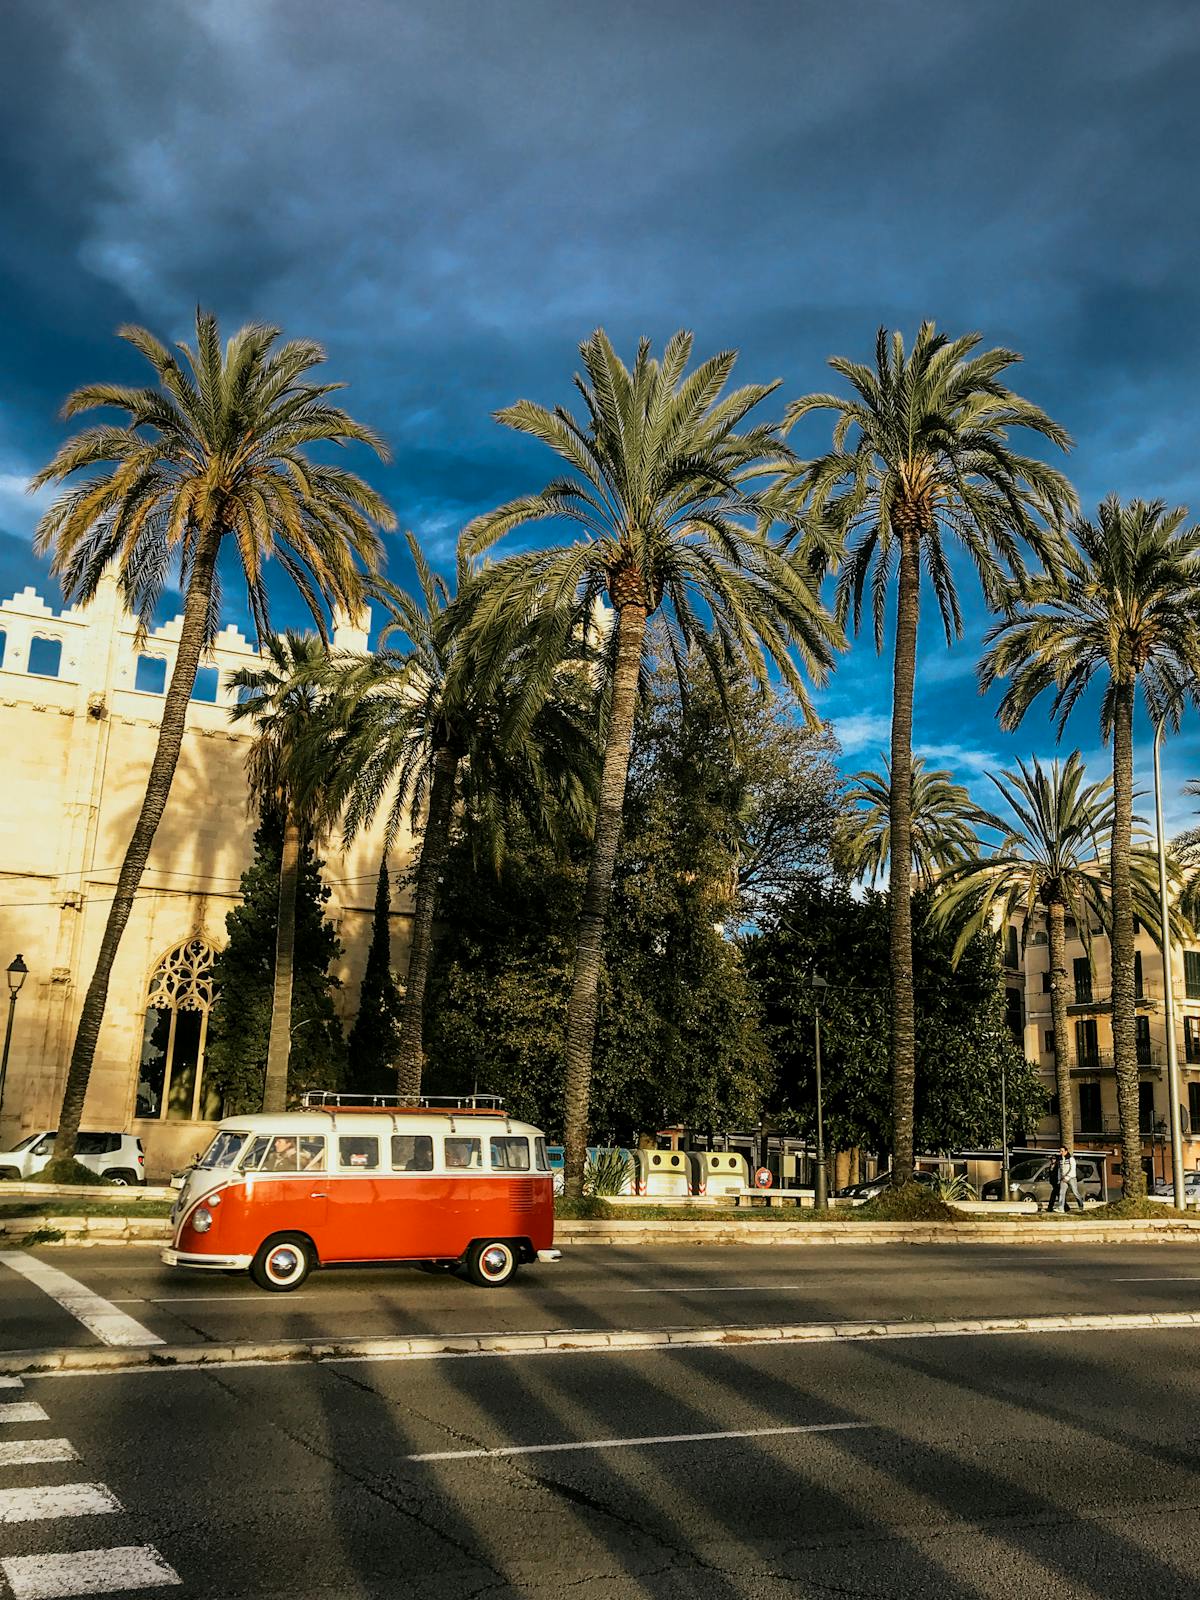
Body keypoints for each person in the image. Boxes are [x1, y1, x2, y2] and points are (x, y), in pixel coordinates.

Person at [1052, 1145, 1085, 1212]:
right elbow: (1060, 1170)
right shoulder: (1060, 1160)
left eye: (1062, 1151)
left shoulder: (1071, 1159)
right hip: (1063, 1179)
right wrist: (1059, 1179)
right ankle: (1061, 1208)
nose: (1061, 1152)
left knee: (1075, 1192)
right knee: (1061, 1193)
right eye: (1060, 1151)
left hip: (1071, 1178)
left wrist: (1067, 1177)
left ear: (1066, 1151)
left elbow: (1073, 1169)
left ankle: (1081, 1205)